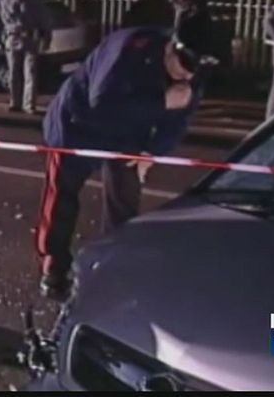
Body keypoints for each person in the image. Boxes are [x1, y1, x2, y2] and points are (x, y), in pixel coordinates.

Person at [35, 27, 201, 300]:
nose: (187, 77)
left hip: (127, 134)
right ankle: (53, 267)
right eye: (183, 67)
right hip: (78, 125)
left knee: (124, 202)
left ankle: (114, 265)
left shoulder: (193, 72)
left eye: (194, 72)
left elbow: (180, 117)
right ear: (170, 49)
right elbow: (102, 103)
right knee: (62, 198)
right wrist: (161, 102)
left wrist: (151, 151)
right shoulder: (127, 50)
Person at [0, 0, 52, 114]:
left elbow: (44, 21)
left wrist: (46, 39)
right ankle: (15, 102)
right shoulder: (2, 1)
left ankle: (29, 104)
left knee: (30, 73)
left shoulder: (34, 1)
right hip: (12, 39)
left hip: (30, 39)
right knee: (13, 73)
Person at [172, 0, 214, 116]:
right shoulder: (179, 8)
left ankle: (189, 106)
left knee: (193, 79)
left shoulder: (198, 9)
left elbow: (198, 29)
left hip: (193, 48)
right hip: (181, 48)